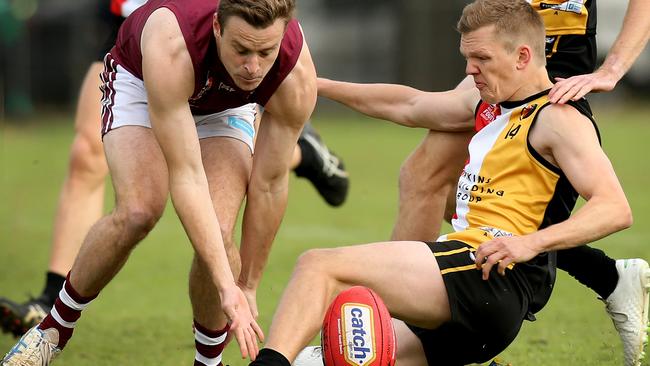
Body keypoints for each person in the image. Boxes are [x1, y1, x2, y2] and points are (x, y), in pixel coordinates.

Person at [250, 0, 634, 364]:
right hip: (478, 306)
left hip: (486, 279)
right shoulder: (490, 104)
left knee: (318, 267)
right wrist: (313, 85)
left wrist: (531, 243)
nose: (469, 70)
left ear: (522, 57)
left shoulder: (557, 117)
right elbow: (408, 105)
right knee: (342, 357)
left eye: (481, 58)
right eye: (467, 58)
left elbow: (615, 208)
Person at [0, 0, 349, 339]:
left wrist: (246, 287)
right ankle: (52, 310)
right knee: (122, 191)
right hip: (144, 42)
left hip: (215, 68)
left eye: (264, 54)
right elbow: (187, 173)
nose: (256, 65)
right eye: (247, 51)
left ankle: (301, 151)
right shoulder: (173, 36)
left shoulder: (288, 59)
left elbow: (266, 184)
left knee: (220, 227)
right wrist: (228, 287)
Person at [385, 0, 650, 364]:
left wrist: (614, 68)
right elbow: (412, 105)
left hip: (549, 72)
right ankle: (607, 276)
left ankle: (396, 330)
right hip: (504, 56)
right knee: (454, 191)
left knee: (429, 179)